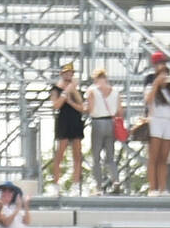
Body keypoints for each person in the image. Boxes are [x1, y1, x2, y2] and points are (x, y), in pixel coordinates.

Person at [83, 65, 122, 194]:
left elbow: (91, 109)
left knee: (96, 157)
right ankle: (115, 180)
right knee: (110, 156)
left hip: (98, 122)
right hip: (111, 122)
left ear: (95, 78)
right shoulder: (115, 91)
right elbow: (119, 111)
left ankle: (98, 187)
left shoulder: (92, 90)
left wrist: (84, 107)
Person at [50, 60, 85, 190]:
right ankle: (56, 183)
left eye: (70, 73)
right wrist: (66, 93)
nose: (68, 75)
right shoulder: (56, 89)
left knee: (77, 153)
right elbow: (56, 105)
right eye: (66, 73)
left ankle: (76, 184)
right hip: (63, 121)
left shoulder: (76, 90)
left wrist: (72, 93)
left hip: (75, 121)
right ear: (62, 74)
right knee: (60, 152)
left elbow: (82, 107)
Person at [144, 55, 170, 196]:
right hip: (156, 121)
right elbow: (148, 100)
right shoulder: (151, 84)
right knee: (154, 155)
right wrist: (156, 84)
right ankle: (152, 188)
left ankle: (162, 188)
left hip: (168, 121)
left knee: (164, 157)